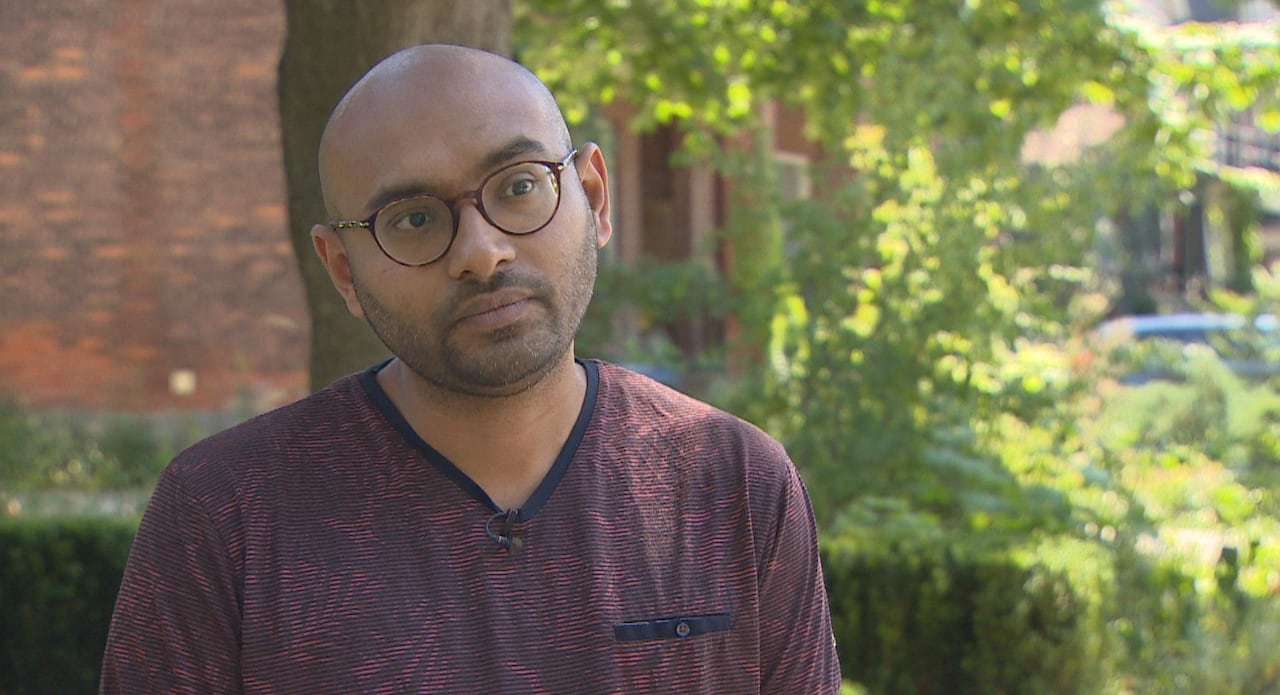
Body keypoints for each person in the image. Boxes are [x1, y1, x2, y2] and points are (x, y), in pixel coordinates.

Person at [100, 43, 840, 694]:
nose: (481, 252)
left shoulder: (733, 484)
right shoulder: (225, 515)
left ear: (593, 194)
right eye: (414, 219)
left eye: (519, 185)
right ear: (343, 270)